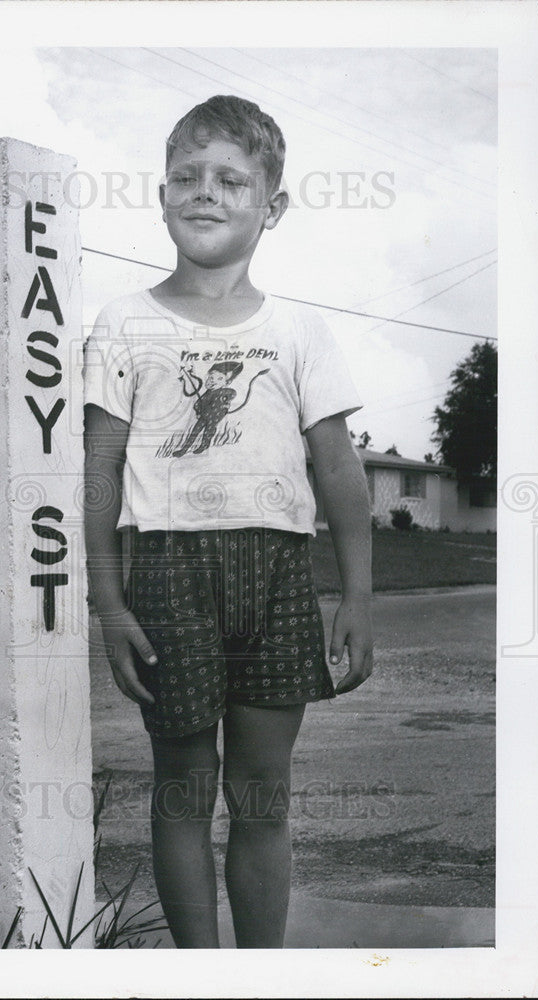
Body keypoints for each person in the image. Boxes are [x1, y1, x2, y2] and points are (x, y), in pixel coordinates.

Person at [83, 94, 373, 949]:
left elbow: (338, 469)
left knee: (262, 794)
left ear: (270, 206)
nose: (204, 192)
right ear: (162, 192)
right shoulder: (123, 323)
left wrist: (358, 595)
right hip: (167, 573)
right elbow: (98, 473)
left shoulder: (299, 330)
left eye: (230, 179)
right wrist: (109, 606)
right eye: (186, 176)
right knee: (181, 785)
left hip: (279, 575)